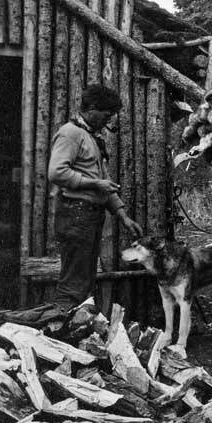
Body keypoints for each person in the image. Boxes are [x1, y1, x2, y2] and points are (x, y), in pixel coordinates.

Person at [48, 84, 143, 311]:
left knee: (84, 281)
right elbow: (56, 172)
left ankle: (73, 331)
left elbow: (103, 180)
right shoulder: (70, 134)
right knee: (73, 283)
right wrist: (93, 183)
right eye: (106, 115)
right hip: (75, 214)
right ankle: (57, 331)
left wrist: (123, 216)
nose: (108, 121)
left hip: (89, 216)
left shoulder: (91, 137)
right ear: (91, 109)